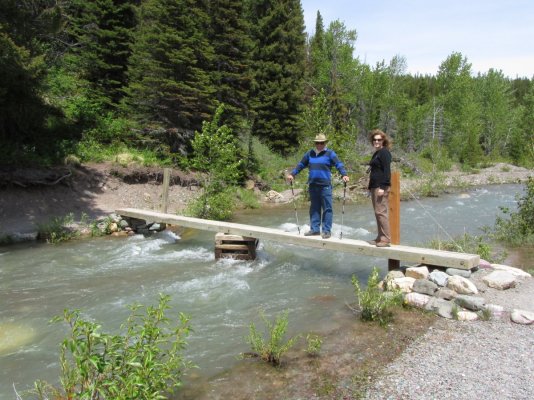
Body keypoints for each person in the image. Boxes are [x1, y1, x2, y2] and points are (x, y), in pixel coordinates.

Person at [287, 133, 349, 239]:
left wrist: (344, 174)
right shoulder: (310, 153)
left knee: (327, 209)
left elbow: (339, 164)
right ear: (315, 143)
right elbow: (301, 164)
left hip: (325, 186)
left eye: (322, 143)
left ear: (325, 143)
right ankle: (315, 229)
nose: (320, 144)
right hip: (313, 185)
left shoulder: (330, 153)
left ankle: (326, 231)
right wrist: (292, 174)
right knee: (314, 208)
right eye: (317, 143)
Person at [367, 129, 392, 247]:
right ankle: (379, 237)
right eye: (374, 140)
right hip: (374, 186)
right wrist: (369, 187)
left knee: (381, 212)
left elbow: (387, 171)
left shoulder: (384, 153)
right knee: (377, 212)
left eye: (379, 140)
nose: (376, 141)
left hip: (381, 187)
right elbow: (375, 171)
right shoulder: (376, 153)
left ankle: (386, 239)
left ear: (383, 141)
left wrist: (383, 187)